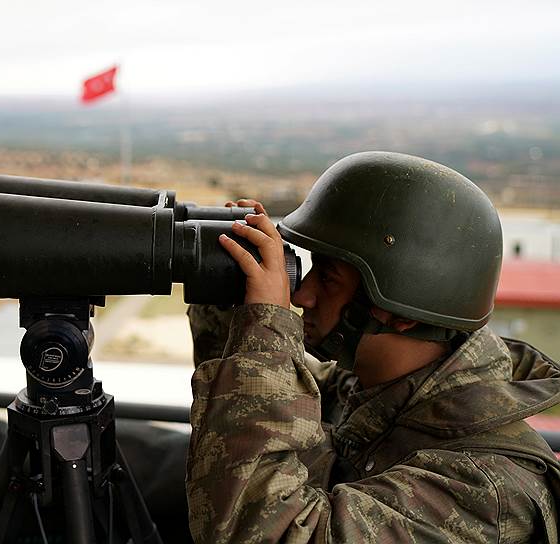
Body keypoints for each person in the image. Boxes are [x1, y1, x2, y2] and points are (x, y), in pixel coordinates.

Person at [186, 151, 560, 543]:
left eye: (327, 280)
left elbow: (265, 532)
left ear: (400, 315)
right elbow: (253, 416)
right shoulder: (368, 393)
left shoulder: (483, 492)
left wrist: (267, 323)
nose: (303, 296)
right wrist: (227, 283)